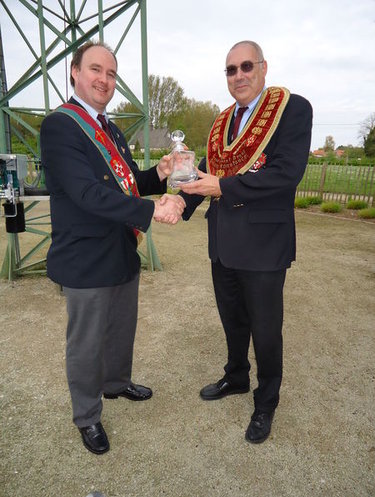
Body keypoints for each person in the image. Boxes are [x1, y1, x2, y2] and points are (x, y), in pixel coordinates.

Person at [40, 41, 184, 455]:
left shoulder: (112, 129)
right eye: (95, 70)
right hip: (86, 258)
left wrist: (160, 171)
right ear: (75, 72)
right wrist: (151, 208)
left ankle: (117, 383)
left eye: (111, 74)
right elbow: (86, 193)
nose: (104, 80)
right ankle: (87, 416)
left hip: (121, 249)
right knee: (85, 344)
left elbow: (126, 184)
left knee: (122, 329)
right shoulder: (60, 126)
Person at [180, 40, 312, 443]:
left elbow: (286, 174)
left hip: (263, 244)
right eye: (230, 70)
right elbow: (205, 174)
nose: (238, 75)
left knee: (266, 329)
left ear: (263, 68)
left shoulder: (292, 109)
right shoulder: (222, 123)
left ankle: (266, 400)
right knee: (233, 321)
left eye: (245, 66)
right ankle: (236, 376)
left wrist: (222, 185)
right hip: (222, 242)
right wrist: (178, 203)